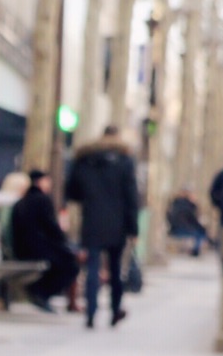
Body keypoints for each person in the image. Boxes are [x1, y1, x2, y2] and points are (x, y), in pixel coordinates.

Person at [64, 125, 140, 329]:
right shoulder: (125, 160)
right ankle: (115, 310)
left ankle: (90, 313)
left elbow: (71, 190)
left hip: (91, 220)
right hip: (118, 223)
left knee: (92, 268)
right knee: (115, 270)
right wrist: (133, 229)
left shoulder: (85, 158)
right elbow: (132, 196)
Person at [11, 170, 80, 312]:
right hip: (37, 249)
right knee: (71, 265)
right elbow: (51, 228)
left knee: (63, 261)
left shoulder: (22, 201)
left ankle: (40, 291)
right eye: (47, 180)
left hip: (22, 248)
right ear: (40, 182)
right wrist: (64, 242)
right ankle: (41, 292)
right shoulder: (42, 200)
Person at [166, 189, 212, 256]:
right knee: (201, 233)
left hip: (174, 229)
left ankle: (200, 247)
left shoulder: (175, 204)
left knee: (201, 232)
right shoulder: (188, 207)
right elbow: (193, 221)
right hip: (183, 229)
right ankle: (196, 251)